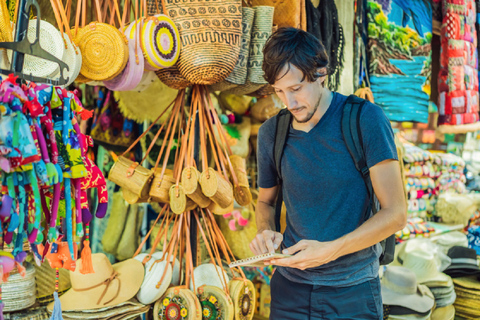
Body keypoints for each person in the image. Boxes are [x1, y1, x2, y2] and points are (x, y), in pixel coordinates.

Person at [250, 27, 407, 319]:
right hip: (289, 291)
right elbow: (265, 202)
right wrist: (265, 231)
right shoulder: (272, 132)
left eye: (296, 89)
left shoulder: (366, 120)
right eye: (279, 92)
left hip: (353, 291)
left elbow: (396, 213)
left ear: (321, 73)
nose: (290, 103)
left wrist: (332, 250)